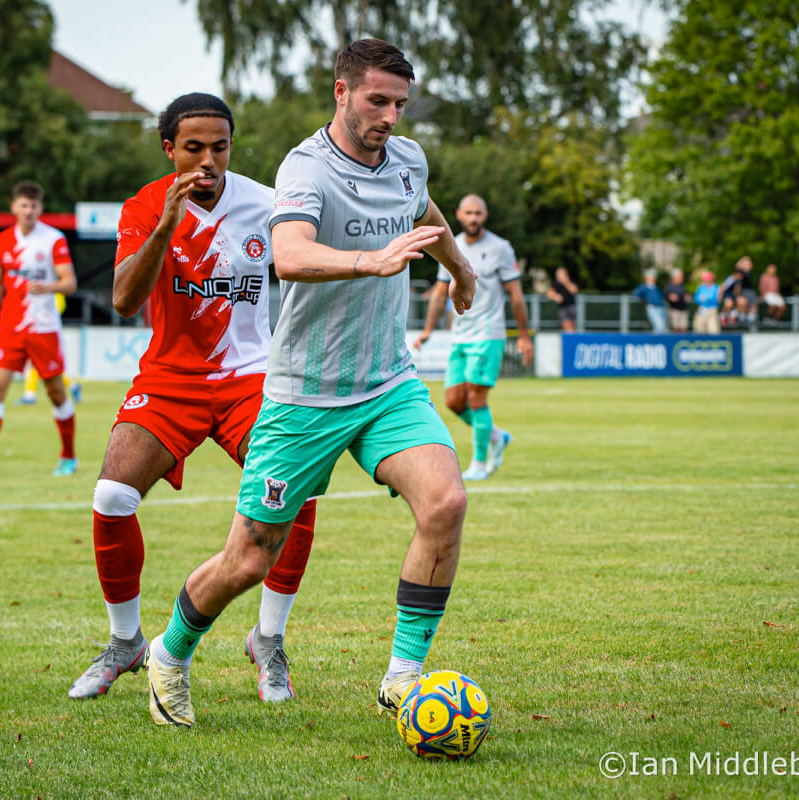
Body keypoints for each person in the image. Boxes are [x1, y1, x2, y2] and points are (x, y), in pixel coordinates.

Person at [142, 40, 477, 728]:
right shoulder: (305, 167)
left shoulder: (407, 157)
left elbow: (426, 213)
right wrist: (369, 261)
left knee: (444, 503)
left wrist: (460, 268)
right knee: (249, 558)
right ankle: (169, 654)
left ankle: (404, 681)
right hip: (305, 393)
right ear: (342, 93)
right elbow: (289, 255)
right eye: (377, 100)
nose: (389, 115)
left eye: (399, 103)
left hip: (387, 382)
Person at [68, 93, 319, 705]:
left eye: (220, 147)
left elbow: (308, 264)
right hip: (169, 379)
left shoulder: (267, 204)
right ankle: (125, 642)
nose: (208, 161)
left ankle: (268, 639)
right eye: (194, 148)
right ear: (169, 149)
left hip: (252, 379)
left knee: (299, 492)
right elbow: (126, 299)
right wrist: (164, 229)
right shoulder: (146, 206)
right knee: (112, 494)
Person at [0, 181, 79, 477]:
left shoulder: (53, 240)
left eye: (34, 206)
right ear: (14, 207)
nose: (28, 210)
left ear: (40, 209)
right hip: (10, 327)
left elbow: (70, 283)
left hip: (43, 326)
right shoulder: (2, 241)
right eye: (23, 205)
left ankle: (68, 456)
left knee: (56, 393)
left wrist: (48, 286)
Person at [413, 193, 532, 480]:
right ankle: (496, 436)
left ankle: (479, 464)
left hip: (489, 334)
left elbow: (515, 295)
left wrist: (524, 336)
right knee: (454, 401)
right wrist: (429, 330)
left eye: (478, 213)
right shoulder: (450, 245)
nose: (474, 218)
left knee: (477, 397)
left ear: (485, 216)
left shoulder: (500, 248)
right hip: (460, 336)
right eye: (469, 213)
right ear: (458, 215)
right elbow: (441, 292)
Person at [17, 291, 80, 406]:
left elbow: (56, 309)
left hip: (47, 332)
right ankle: (29, 394)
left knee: (50, 367)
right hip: (37, 329)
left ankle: (72, 385)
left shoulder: (54, 289)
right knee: (35, 362)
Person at [719, 256, 752, 326]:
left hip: (734, 295)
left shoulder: (739, 280)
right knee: (729, 303)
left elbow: (737, 292)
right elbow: (722, 288)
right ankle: (723, 315)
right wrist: (720, 297)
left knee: (743, 301)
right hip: (727, 294)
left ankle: (735, 314)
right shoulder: (731, 279)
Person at [633, 268, 668, 333]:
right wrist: (645, 301)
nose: (654, 278)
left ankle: (658, 341)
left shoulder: (656, 287)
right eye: (652, 276)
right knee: (659, 326)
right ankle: (655, 341)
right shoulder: (643, 287)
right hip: (652, 308)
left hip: (661, 308)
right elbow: (636, 295)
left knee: (662, 327)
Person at [546, 267, 578, 331]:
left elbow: (574, 290)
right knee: (566, 326)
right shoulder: (556, 284)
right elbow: (549, 294)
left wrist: (565, 282)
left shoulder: (570, 281)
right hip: (563, 308)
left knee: (573, 326)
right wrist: (556, 296)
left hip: (571, 306)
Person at [665, 268, 690, 332]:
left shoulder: (682, 285)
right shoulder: (669, 286)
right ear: (675, 277)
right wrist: (670, 297)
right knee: (676, 329)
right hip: (674, 310)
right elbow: (666, 295)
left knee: (684, 328)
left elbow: (686, 295)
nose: (682, 278)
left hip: (683, 309)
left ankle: (683, 341)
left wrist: (687, 297)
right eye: (680, 276)